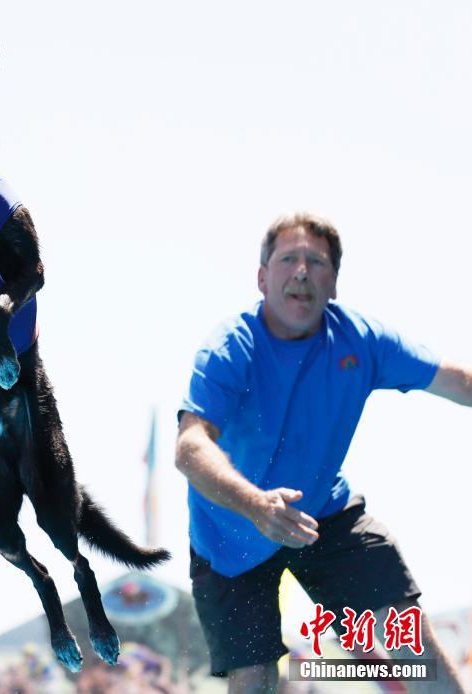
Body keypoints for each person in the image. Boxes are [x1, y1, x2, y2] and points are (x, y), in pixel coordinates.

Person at [174, 212, 471, 693]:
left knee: (404, 628)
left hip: (321, 514)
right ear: (262, 277)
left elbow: (456, 380)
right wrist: (256, 505)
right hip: (228, 534)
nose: (302, 271)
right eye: (288, 258)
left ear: (333, 283)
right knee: (254, 679)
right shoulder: (232, 347)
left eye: (318, 262)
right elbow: (190, 447)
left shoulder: (360, 340)